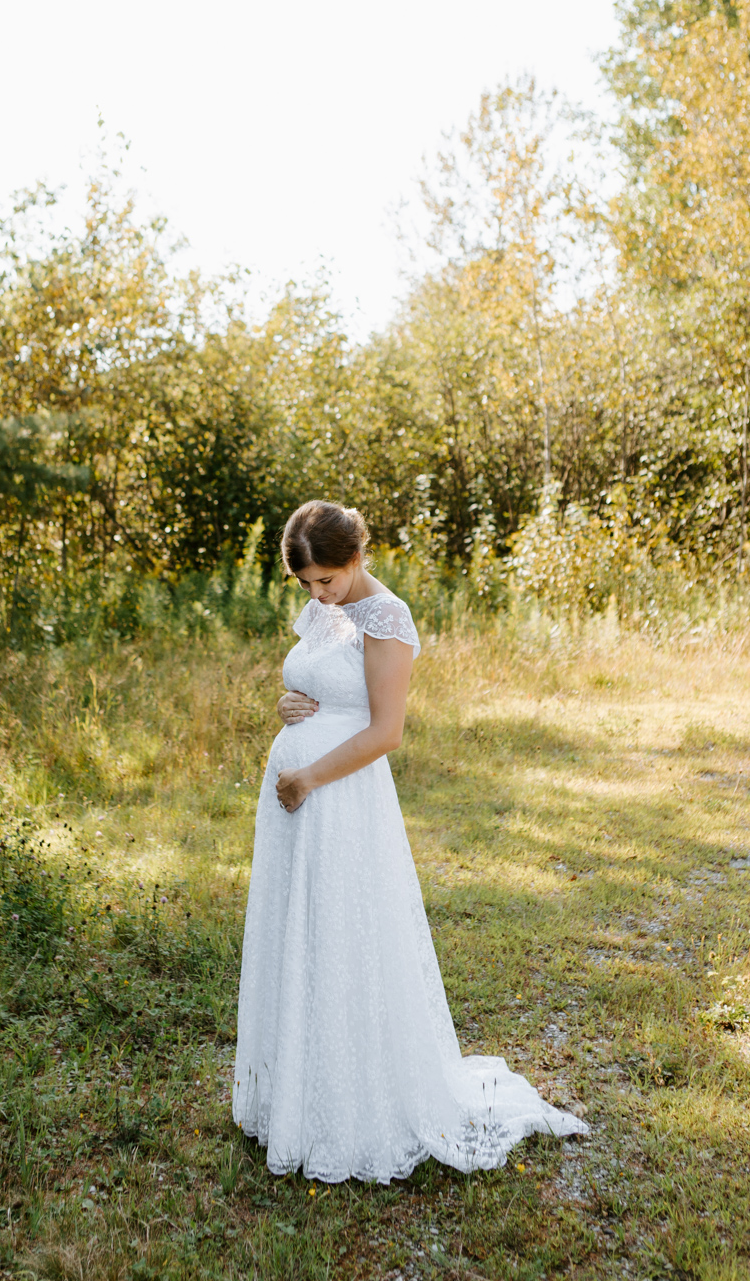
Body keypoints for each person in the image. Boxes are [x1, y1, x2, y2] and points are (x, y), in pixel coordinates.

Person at [232, 499, 588, 1184]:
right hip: (295, 803)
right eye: (305, 583)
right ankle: (295, 1093)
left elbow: (384, 730)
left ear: (356, 558)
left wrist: (306, 776)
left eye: (326, 581)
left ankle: (354, 1102)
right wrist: (287, 704)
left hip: (339, 798)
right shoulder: (322, 610)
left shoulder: (386, 619)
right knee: (297, 935)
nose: (316, 594)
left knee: (342, 937)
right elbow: (314, 680)